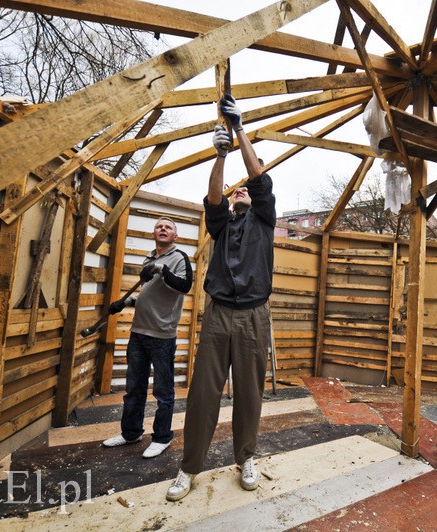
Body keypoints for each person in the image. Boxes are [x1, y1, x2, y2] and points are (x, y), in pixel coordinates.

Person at [167, 94, 276, 501]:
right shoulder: (222, 225)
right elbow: (213, 197)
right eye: (237, 193)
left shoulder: (265, 220)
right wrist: (220, 154)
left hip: (253, 317)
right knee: (203, 393)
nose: (240, 193)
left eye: (244, 191)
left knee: (249, 392)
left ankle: (246, 458)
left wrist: (241, 131)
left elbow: (259, 179)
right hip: (217, 315)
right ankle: (188, 467)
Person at [102, 217, 193, 458]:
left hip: (162, 335)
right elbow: (149, 294)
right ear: (153, 233)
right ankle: (131, 433)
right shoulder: (149, 258)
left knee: (163, 392)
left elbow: (184, 286)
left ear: (175, 236)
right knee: (134, 388)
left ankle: (162, 437)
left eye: (168, 227)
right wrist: (127, 302)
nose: (163, 229)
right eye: (159, 226)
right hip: (138, 332)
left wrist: (163, 270)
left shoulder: (178, 257)